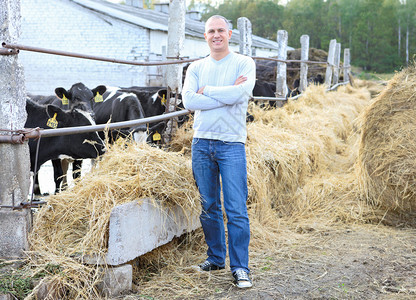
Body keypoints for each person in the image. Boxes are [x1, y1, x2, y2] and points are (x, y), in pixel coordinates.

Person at [182, 15, 255, 289]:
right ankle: (215, 258)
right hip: (201, 143)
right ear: (204, 35)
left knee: (236, 208)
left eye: (220, 30)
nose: (216, 35)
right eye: (211, 31)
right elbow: (189, 100)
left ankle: (240, 268)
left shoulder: (243, 63)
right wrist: (227, 93)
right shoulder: (196, 66)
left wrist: (208, 92)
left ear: (230, 33)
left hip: (231, 143)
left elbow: (241, 94)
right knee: (208, 205)